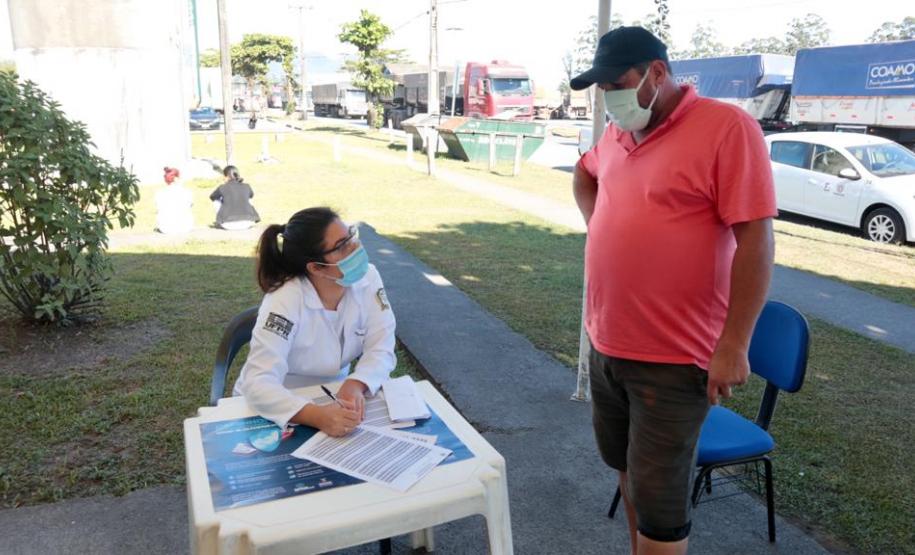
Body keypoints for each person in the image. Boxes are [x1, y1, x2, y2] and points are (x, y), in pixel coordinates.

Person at [570, 27, 776, 554]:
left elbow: (755, 240)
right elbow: (585, 172)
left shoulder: (726, 128)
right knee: (627, 474)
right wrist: (604, 228)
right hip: (607, 345)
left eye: (617, 84)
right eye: (602, 89)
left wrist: (734, 344)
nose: (609, 98)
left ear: (657, 73)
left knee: (661, 514)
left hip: (673, 360)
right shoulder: (618, 134)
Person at [233, 207, 396, 437]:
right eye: (341, 246)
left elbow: (382, 345)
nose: (355, 247)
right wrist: (316, 416)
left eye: (351, 235)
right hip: (276, 405)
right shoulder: (285, 298)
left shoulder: (368, 278)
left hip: (333, 394)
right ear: (316, 267)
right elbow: (258, 382)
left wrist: (357, 383)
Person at [209, 165, 260, 230]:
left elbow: (212, 197)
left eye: (223, 176)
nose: (223, 178)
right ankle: (250, 216)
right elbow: (251, 195)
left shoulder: (222, 187)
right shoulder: (247, 186)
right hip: (248, 223)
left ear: (227, 177)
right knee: (249, 198)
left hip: (228, 225)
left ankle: (221, 220)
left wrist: (223, 199)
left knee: (216, 200)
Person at [155, 167, 194, 234]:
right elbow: (190, 205)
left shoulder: (159, 193)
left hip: (165, 228)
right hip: (185, 227)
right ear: (176, 179)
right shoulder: (187, 192)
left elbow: (158, 209)